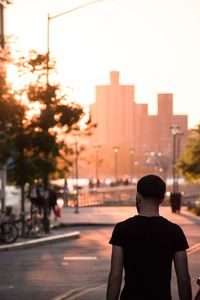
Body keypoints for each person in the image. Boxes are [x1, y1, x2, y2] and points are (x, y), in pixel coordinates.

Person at [106, 174, 192, 300]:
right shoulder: (175, 231)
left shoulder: (122, 229)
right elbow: (183, 279)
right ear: (162, 199)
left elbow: (115, 277)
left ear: (138, 196)